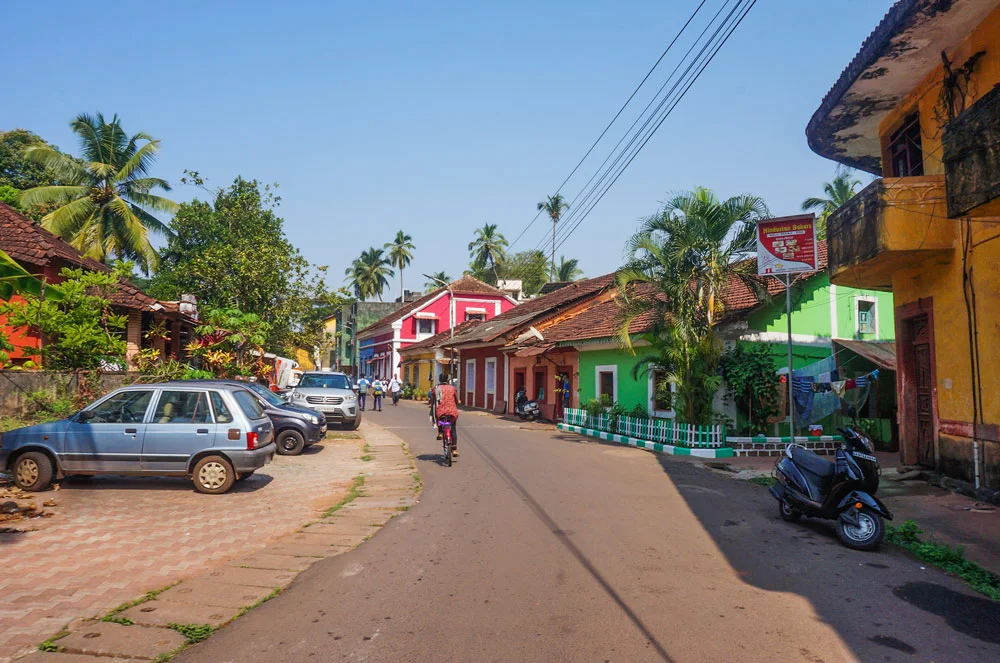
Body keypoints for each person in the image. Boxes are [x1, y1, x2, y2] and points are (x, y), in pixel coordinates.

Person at [432, 373, 460, 456]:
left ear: (439, 380)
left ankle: (440, 432)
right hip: (452, 412)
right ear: (447, 379)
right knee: (453, 429)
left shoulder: (436, 388)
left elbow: (433, 398)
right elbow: (456, 399)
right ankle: (454, 450)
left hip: (441, 412)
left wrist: (430, 404)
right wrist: (457, 401)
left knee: (438, 417)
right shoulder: (452, 388)